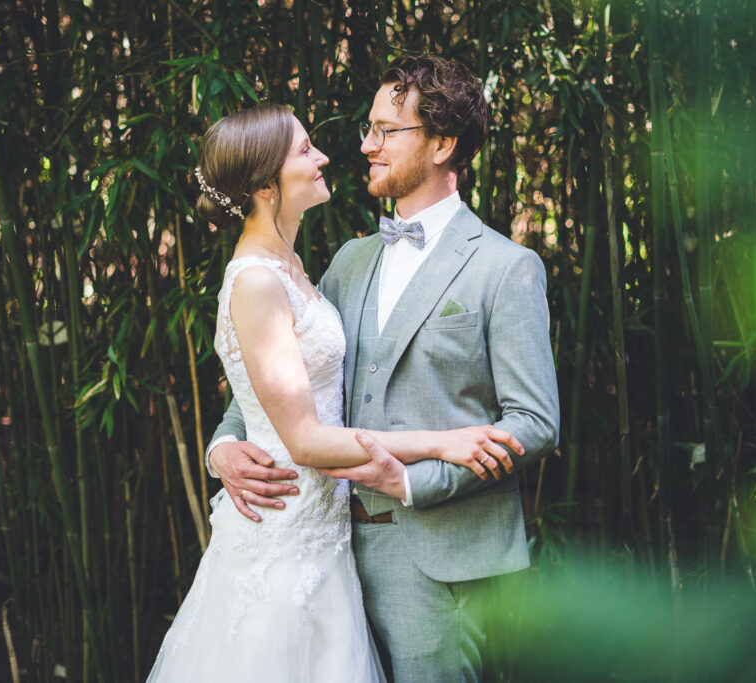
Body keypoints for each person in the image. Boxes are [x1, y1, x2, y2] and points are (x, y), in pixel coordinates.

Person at [207, 56, 560, 682]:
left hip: (442, 560)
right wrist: (224, 444)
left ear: (443, 143)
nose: (365, 145)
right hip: (326, 554)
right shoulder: (348, 260)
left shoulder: (507, 268)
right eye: (368, 129)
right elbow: (284, 379)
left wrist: (412, 483)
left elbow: (533, 423)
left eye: (384, 131)